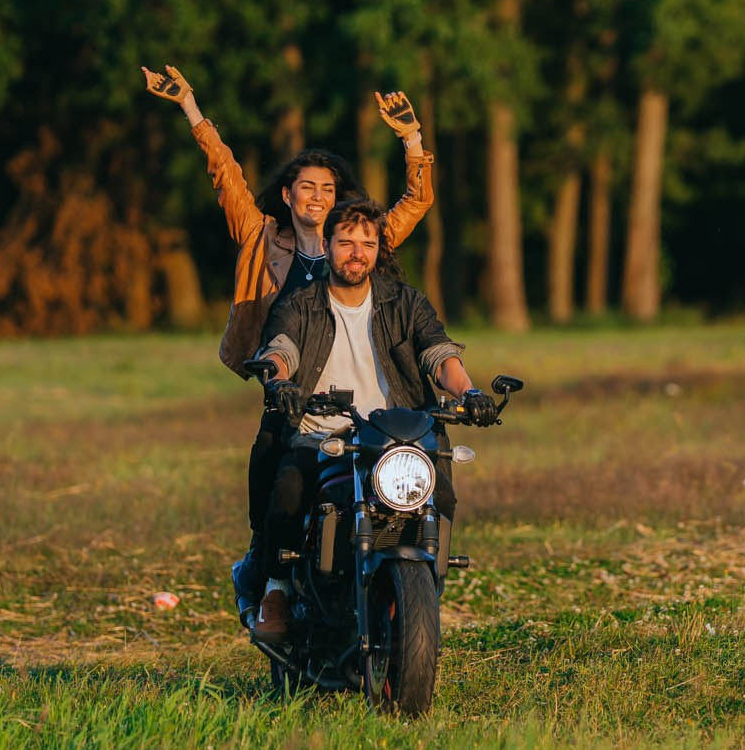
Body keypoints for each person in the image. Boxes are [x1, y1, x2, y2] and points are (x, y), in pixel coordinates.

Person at [141, 64, 437, 610]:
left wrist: (412, 140)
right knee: (272, 480)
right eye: (307, 188)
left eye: (328, 189)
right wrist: (190, 108)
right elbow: (225, 175)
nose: (318, 198)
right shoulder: (262, 238)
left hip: (365, 400)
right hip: (292, 397)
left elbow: (415, 203)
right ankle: (268, 575)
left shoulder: (357, 244)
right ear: (288, 194)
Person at [251, 196, 491, 638]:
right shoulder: (300, 303)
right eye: (346, 242)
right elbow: (282, 348)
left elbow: (439, 353)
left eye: (368, 243)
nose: (357, 253)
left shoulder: (406, 302)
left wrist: (469, 392)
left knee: (441, 497)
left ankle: (421, 590)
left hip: (395, 435)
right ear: (326, 246)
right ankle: (277, 588)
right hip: (322, 435)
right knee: (288, 490)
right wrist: (280, 381)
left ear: (379, 250)